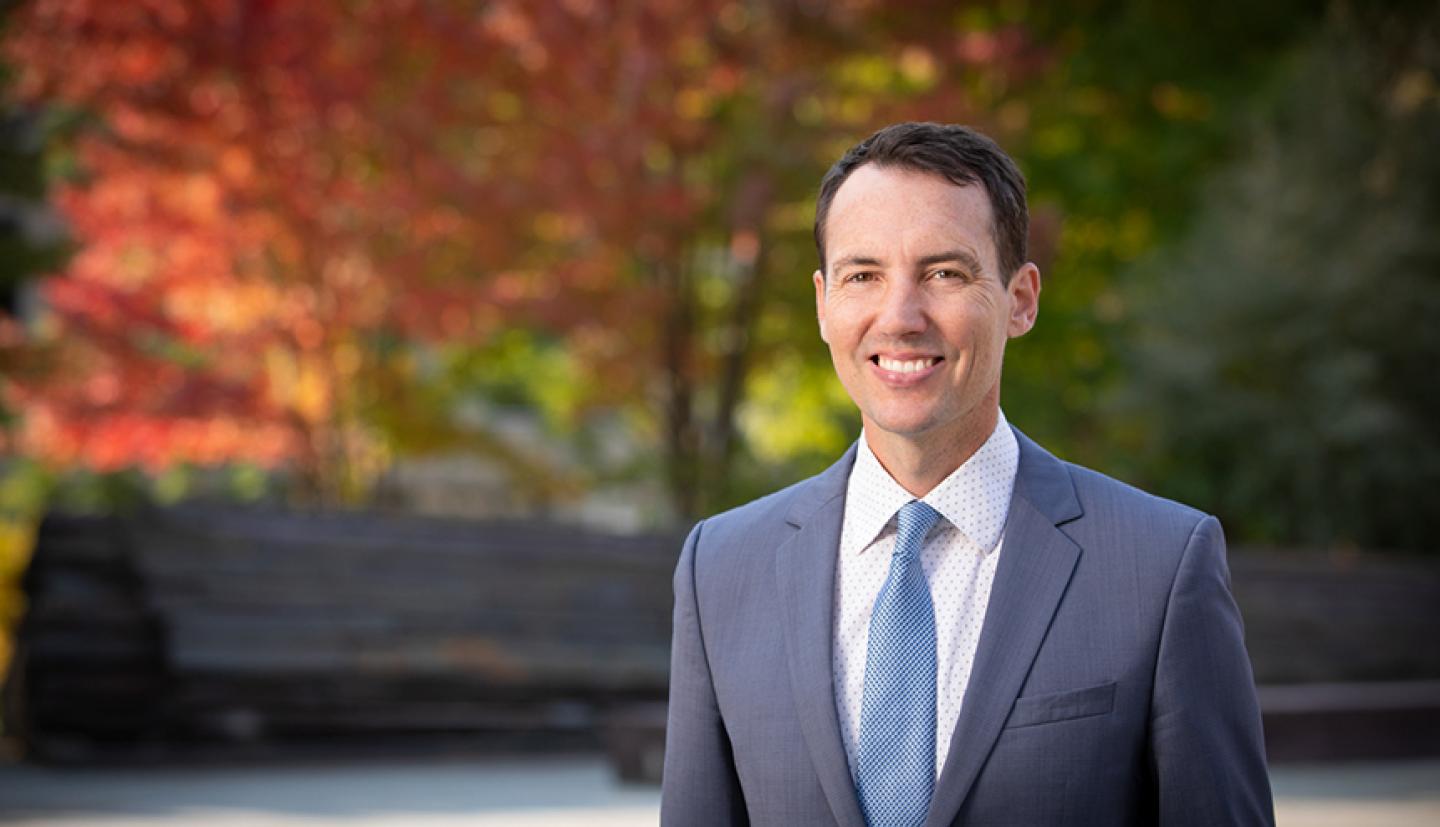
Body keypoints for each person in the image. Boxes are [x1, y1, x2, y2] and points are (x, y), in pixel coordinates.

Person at [660, 122, 1274, 826]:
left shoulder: (1161, 566)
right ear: (824, 302)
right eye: (864, 275)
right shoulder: (721, 569)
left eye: (944, 273)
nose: (900, 316)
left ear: (1020, 299)